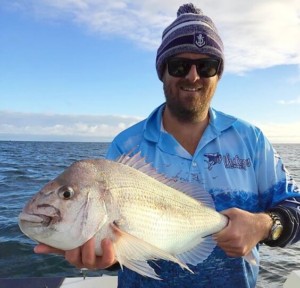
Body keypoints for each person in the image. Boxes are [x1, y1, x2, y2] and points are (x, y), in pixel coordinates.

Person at [35, 3, 300, 287]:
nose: (193, 76)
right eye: (179, 65)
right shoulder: (127, 145)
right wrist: (105, 256)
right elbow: (119, 250)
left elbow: (295, 209)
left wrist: (264, 226)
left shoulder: (251, 139)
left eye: (207, 66)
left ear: (218, 75)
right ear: (162, 72)